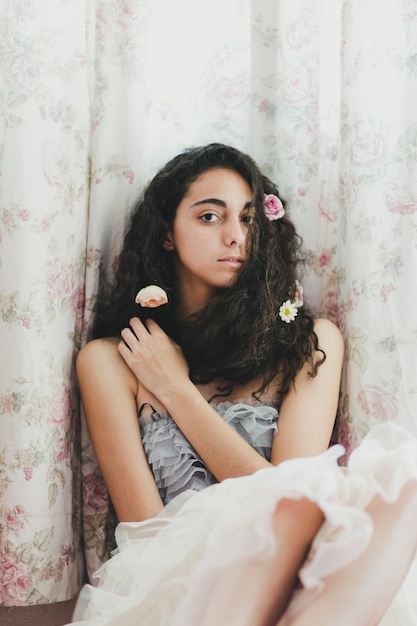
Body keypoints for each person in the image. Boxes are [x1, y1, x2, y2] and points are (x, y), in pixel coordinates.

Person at [71, 143, 417, 626]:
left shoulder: (310, 342)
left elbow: (292, 501)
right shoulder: (112, 359)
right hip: (177, 580)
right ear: (167, 233)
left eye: (250, 218)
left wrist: (175, 390)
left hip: (292, 565)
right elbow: (144, 532)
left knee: (399, 486)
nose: (236, 236)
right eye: (210, 217)